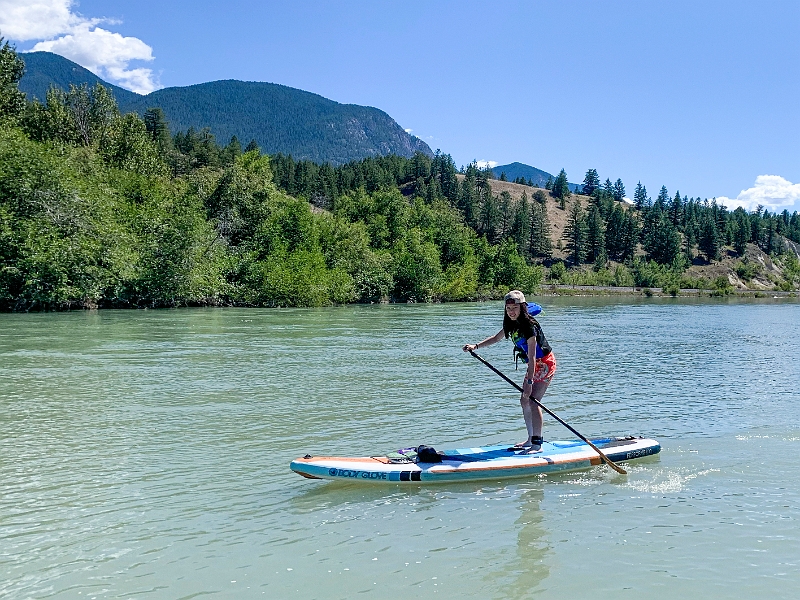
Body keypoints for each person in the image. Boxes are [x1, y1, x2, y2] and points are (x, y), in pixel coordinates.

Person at [462, 290, 557, 451]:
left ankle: (537, 443)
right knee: (524, 400)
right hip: (533, 365)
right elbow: (496, 338)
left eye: (515, 308)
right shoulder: (510, 323)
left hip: (545, 363)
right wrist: (475, 346)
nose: (511, 312)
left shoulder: (529, 327)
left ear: (522, 308)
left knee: (533, 401)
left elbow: (533, 355)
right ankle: (530, 438)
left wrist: (529, 381)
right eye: (508, 309)